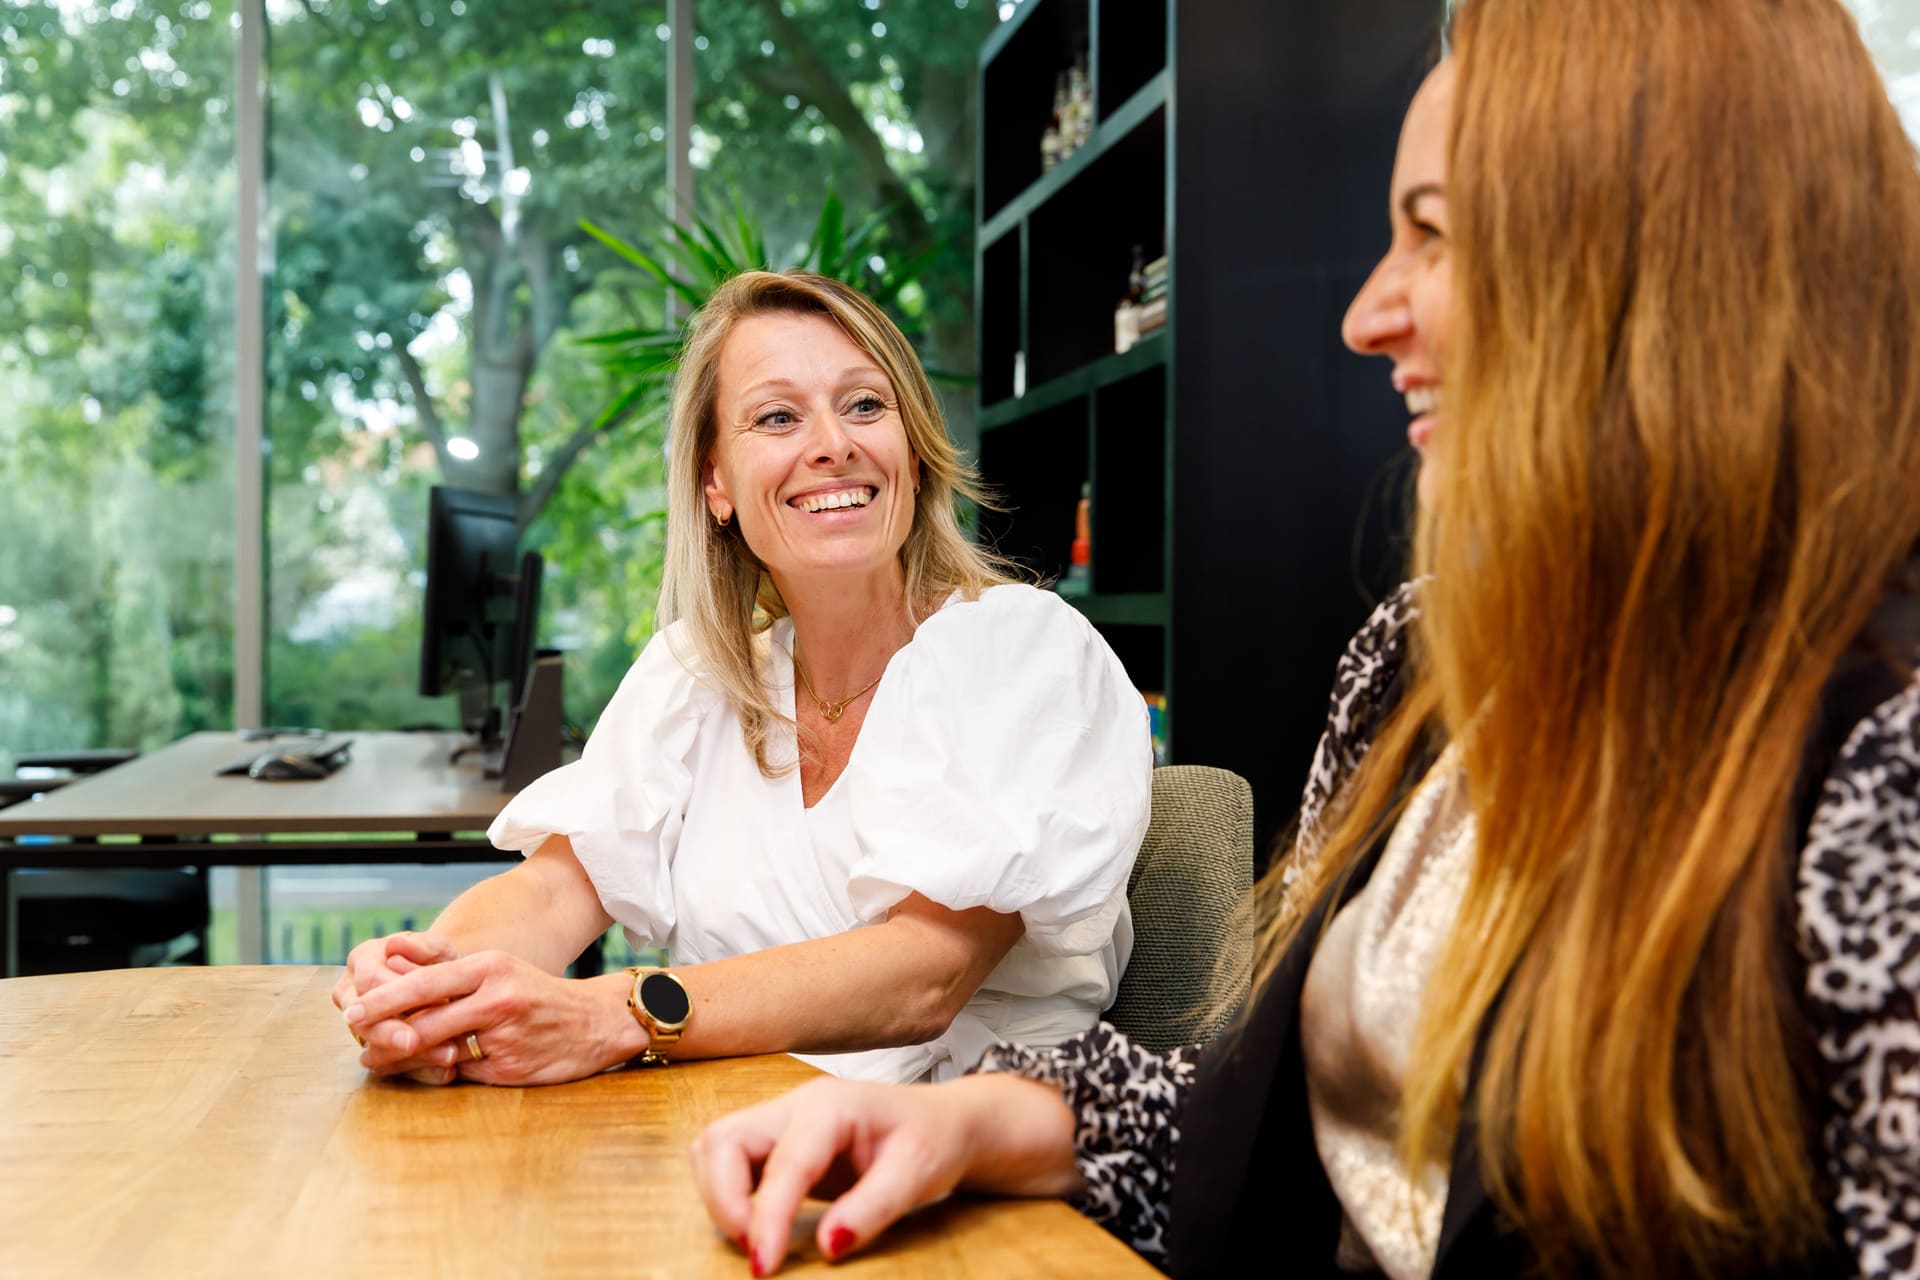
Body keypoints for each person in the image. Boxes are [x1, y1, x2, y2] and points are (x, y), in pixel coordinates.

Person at [687, 2, 1920, 1276]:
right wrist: (962, 1119)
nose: (1366, 313)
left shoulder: (1884, 749)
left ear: (1658, 267)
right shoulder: (1417, 659)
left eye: (1432, 235)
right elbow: (1274, 1141)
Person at [334, 270, 1151, 1088]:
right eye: (778, 417)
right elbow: (554, 889)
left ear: (912, 450)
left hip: (953, 1148)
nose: (833, 443)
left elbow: (926, 975)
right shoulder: (699, 673)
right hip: (717, 1130)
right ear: (715, 481)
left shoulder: (1021, 650)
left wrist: (616, 1015)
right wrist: (429, 983)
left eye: (866, 405)